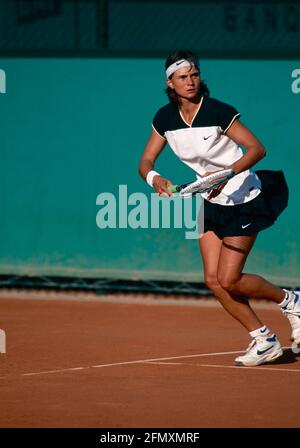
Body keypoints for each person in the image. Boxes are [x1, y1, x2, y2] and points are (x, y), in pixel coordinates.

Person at [138, 49, 300, 367]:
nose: (190, 81)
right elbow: (145, 161)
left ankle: (291, 300)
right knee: (213, 280)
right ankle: (264, 340)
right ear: (170, 83)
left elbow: (257, 149)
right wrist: (155, 179)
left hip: (244, 198)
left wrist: (229, 173)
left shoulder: (218, 111)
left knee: (230, 279)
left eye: (195, 74)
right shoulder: (164, 119)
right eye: (183, 77)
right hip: (210, 201)